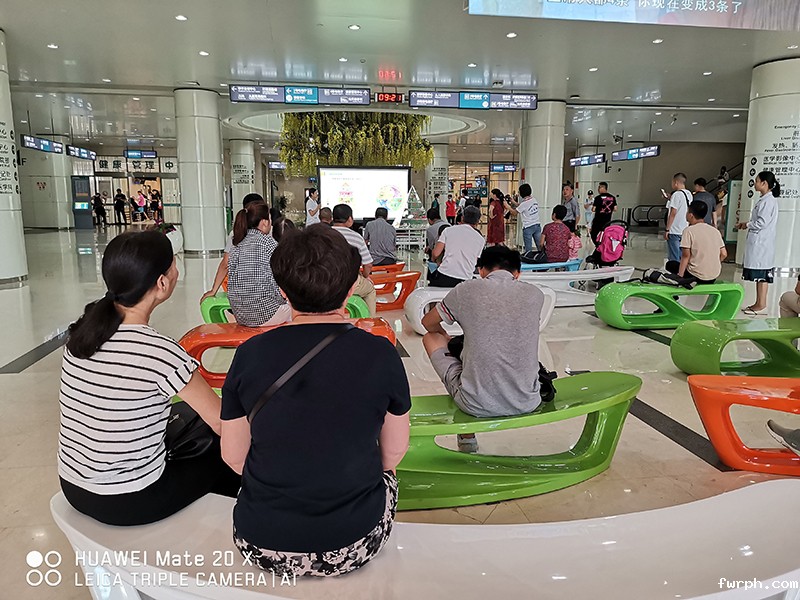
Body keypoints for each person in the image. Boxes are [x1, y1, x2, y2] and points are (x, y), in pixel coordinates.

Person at [220, 225, 410, 577]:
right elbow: (393, 454)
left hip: (259, 542)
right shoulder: (380, 354)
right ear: (351, 289)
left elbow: (233, 457)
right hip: (354, 543)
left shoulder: (249, 354)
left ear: (281, 291)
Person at [58, 230, 239, 526]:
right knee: (224, 448)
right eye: (174, 264)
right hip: (131, 498)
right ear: (162, 283)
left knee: (185, 412)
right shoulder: (159, 352)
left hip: (73, 487)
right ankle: (224, 529)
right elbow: (222, 423)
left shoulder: (81, 336)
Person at [421, 246, 543, 452]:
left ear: (481, 270)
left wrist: (444, 336)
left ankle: (467, 438)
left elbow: (427, 323)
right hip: (528, 399)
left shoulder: (466, 290)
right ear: (517, 273)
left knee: (431, 338)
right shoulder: (535, 294)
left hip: (476, 403)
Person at [227, 203, 290, 327]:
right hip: (267, 314)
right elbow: (278, 281)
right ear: (264, 222)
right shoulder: (268, 243)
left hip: (240, 316)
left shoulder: (237, 244)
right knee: (300, 310)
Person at [200, 193, 266, 303]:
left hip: (238, 296)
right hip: (264, 295)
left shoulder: (235, 234)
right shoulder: (269, 233)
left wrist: (213, 290)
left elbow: (225, 264)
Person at [737, 171, 780, 315]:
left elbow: (762, 222)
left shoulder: (768, 201)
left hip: (762, 244)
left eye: (756, 181)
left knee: (762, 275)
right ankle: (759, 303)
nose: (754, 184)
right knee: (760, 276)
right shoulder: (765, 200)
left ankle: (761, 305)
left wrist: (747, 224)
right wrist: (747, 224)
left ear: (764, 183)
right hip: (760, 242)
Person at [665, 201, 726, 285]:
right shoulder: (715, 231)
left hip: (695, 276)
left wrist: (680, 277)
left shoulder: (688, 231)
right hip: (713, 276)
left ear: (691, 215)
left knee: (670, 265)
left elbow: (685, 256)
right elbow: (724, 254)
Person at [332, 204, 377, 316]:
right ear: (350, 219)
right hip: (348, 283)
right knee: (370, 290)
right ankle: (370, 321)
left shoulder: (322, 235)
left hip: (324, 283)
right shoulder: (356, 237)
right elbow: (368, 264)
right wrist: (365, 277)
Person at [429, 206, 484, 288]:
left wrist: (433, 260)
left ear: (462, 218)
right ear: (477, 222)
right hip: (465, 279)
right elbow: (474, 261)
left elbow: (435, 253)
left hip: (444, 276)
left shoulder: (448, 230)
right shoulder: (480, 239)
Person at [503, 183, 541, 254]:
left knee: (528, 249)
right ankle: (542, 257)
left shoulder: (524, 204)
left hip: (528, 227)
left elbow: (514, 213)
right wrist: (513, 201)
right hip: (537, 225)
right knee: (539, 246)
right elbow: (522, 206)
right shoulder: (533, 199)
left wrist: (507, 206)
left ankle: (529, 258)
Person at [665, 173, 692, 263]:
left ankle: (674, 271)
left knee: (674, 256)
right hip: (684, 229)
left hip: (674, 230)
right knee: (682, 256)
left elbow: (673, 213)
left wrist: (667, 229)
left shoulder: (676, 194)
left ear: (676, 182)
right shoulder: (689, 194)